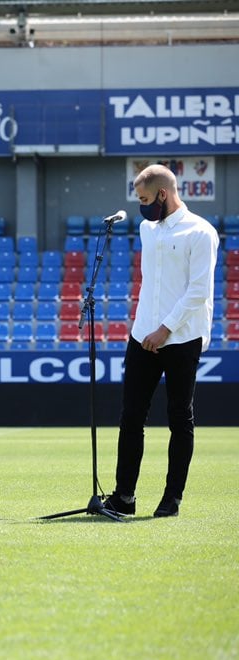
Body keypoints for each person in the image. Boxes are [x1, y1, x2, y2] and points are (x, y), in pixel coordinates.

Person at [103, 164, 218, 518]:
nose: (142, 206)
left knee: (179, 417)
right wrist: (144, 329)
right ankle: (124, 496)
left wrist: (165, 329)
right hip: (143, 335)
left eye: (145, 199)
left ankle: (172, 498)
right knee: (131, 416)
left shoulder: (201, 232)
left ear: (163, 195)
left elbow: (198, 292)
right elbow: (151, 283)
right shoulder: (146, 228)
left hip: (182, 337)